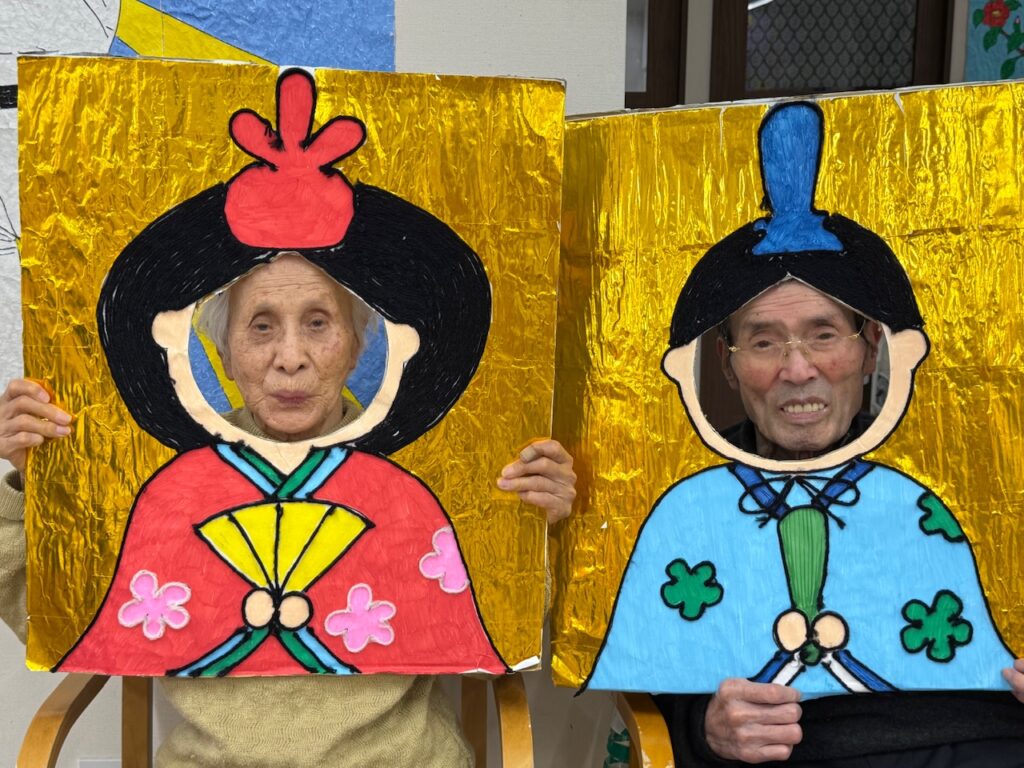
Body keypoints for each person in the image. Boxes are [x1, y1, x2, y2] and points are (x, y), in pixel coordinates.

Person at [0, 68, 576, 766]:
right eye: (262, 326)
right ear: (222, 350)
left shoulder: (419, 483)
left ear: (360, 344)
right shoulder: (168, 488)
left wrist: (540, 529)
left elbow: (507, 626)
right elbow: (52, 612)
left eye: (319, 323)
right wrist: (30, 482)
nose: (291, 359)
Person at [584, 102, 1024, 766]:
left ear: (873, 348)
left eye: (824, 335)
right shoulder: (683, 507)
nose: (797, 370)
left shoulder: (967, 486)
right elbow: (657, 661)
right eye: (764, 342)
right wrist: (706, 728)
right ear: (725, 364)